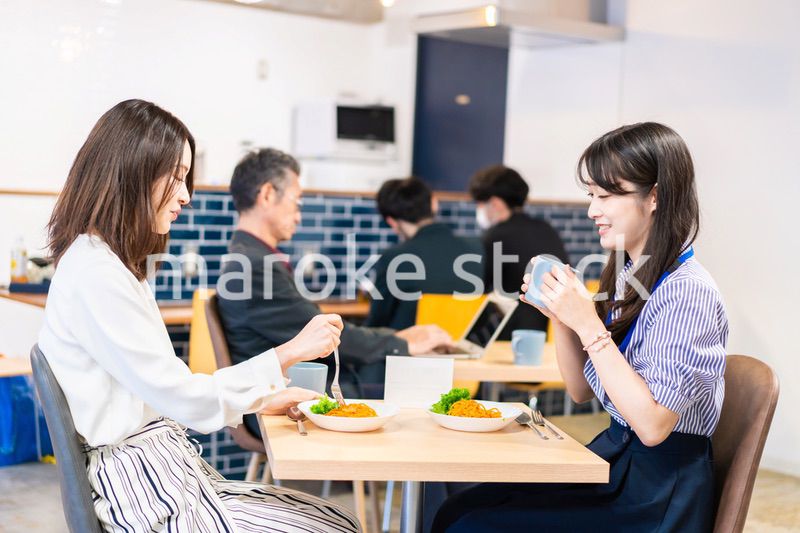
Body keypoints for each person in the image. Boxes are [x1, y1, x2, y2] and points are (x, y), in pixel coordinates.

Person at [38, 99, 360, 532]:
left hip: (164, 472)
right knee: (334, 526)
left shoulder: (108, 264)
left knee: (336, 517)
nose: (186, 196)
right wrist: (287, 355)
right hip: (143, 488)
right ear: (132, 172)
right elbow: (184, 398)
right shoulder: (98, 273)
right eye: (176, 179)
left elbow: (170, 389)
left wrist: (266, 396)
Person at [433, 122, 728, 532]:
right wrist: (561, 317)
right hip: (618, 459)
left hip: (656, 490)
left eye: (605, 195)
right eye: (591, 194)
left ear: (656, 196)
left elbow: (653, 425)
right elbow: (579, 389)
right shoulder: (630, 273)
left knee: (470, 524)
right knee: (456, 510)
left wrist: (587, 322)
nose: (592, 210)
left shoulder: (687, 292)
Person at [218, 149, 453, 437]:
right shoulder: (255, 268)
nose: (299, 216)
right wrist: (401, 343)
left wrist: (398, 341)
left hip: (294, 385)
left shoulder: (250, 259)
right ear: (267, 195)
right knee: (420, 384)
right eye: (297, 202)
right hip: (283, 399)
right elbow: (324, 337)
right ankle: (422, 476)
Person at [366, 176, 484, 330]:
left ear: (392, 222)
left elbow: (376, 323)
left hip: (409, 351)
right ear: (434, 204)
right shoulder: (476, 248)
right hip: (463, 349)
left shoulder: (394, 257)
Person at [469, 164, 568, 339]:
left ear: (495, 203)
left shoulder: (494, 237)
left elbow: (477, 289)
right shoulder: (546, 229)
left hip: (511, 336)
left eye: (480, 204)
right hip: (553, 333)